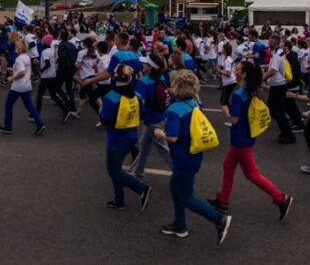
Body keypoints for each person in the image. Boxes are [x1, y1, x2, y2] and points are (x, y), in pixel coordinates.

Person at [207, 61, 293, 221]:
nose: (234, 70)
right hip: (245, 135)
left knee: (252, 174)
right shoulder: (249, 89)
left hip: (241, 138)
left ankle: (281, 198)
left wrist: (225, 110)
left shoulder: (240, 94)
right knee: (228, 166)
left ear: (244, 74)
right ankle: (223, 200)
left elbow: (234, 119)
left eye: (238, 69)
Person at [154, 70, 232, 243]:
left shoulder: (174, 110)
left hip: (182, 157)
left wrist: (160, 134)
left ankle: (218, 219)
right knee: (175, 188)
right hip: (193, 154)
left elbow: (173, 137)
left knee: (186, 197)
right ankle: (179, 225)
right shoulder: (194, 103)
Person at [99, 63, 152, 211]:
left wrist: (102, 110)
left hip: (116, 139)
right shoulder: (137, 95)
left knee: (114, 171)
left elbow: (105, 120)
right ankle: (119, 200)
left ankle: (142, 189)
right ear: (130, 77)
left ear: (115, 77)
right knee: (117, 169)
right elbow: (142, 114)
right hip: (132, 136)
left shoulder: (111, 97)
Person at [132, 54, 173, 178]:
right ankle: (138, 171)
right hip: (161, 116)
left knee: (164, 150)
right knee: (143, 145)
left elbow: (139, 100)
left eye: (145, 63)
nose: (143, 65)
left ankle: (181, 174)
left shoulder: (143, 82)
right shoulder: (162, 78)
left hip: (152, 120)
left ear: (149, 67)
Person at [0, 39, 45, 136]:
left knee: (8, 104)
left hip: (18, 86)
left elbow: (22, 71)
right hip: (27, 85)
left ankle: (8, 126)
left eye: (16, 47)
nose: (15, 48)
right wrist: (12, 69)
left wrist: (12, 77)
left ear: (19, 48)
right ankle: (40, 123)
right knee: (30, 106)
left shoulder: (19, 59)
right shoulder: (27, 57)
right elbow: (26, 70)